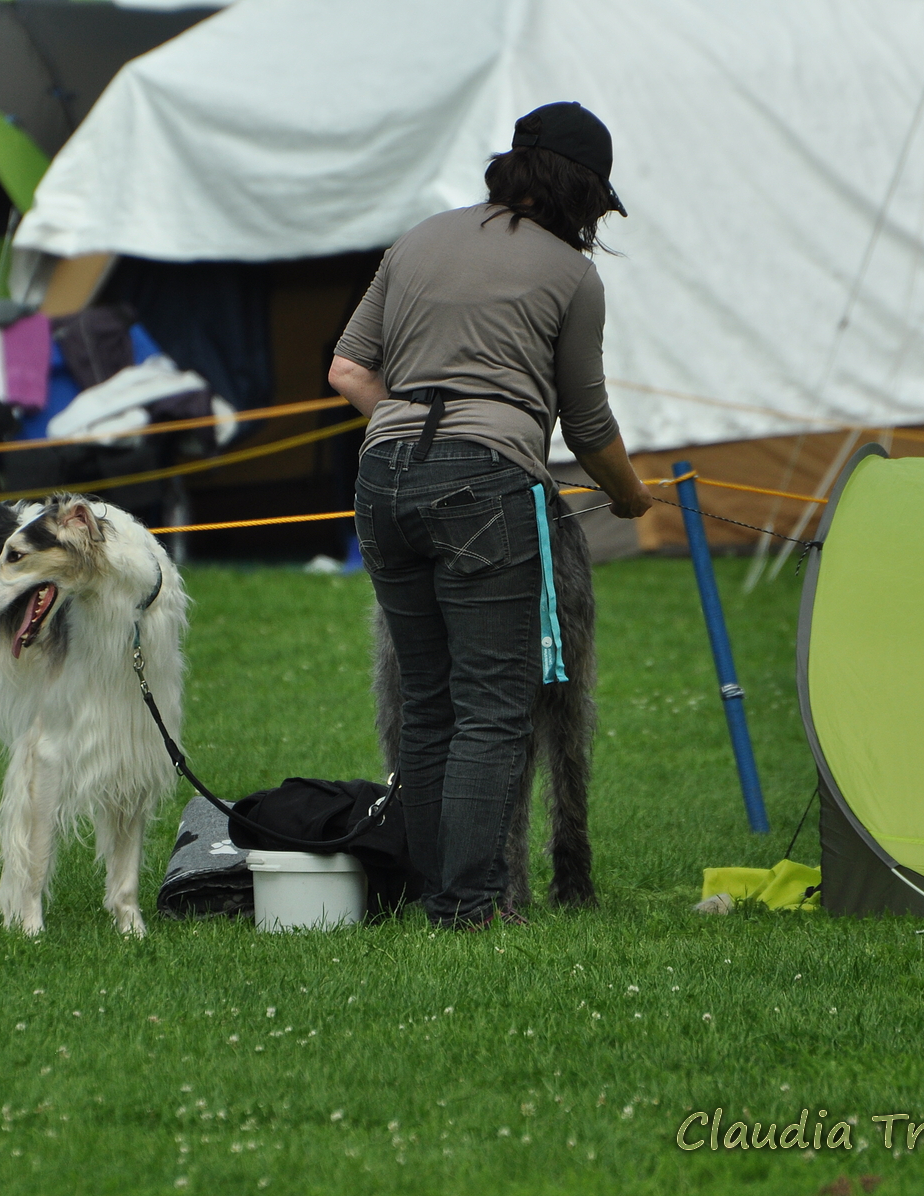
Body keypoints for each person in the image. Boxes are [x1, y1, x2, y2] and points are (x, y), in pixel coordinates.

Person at [327, 101, 651, 931]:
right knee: (492, 708)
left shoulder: (418, 239)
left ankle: (440, 891)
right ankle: (471, 907)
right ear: (582, 196)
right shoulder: (573, 277)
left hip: (382, 477)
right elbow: (587, 426)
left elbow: (347, 370)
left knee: (426, 705)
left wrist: (412, 427)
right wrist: (629, 494)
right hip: (487, 484)